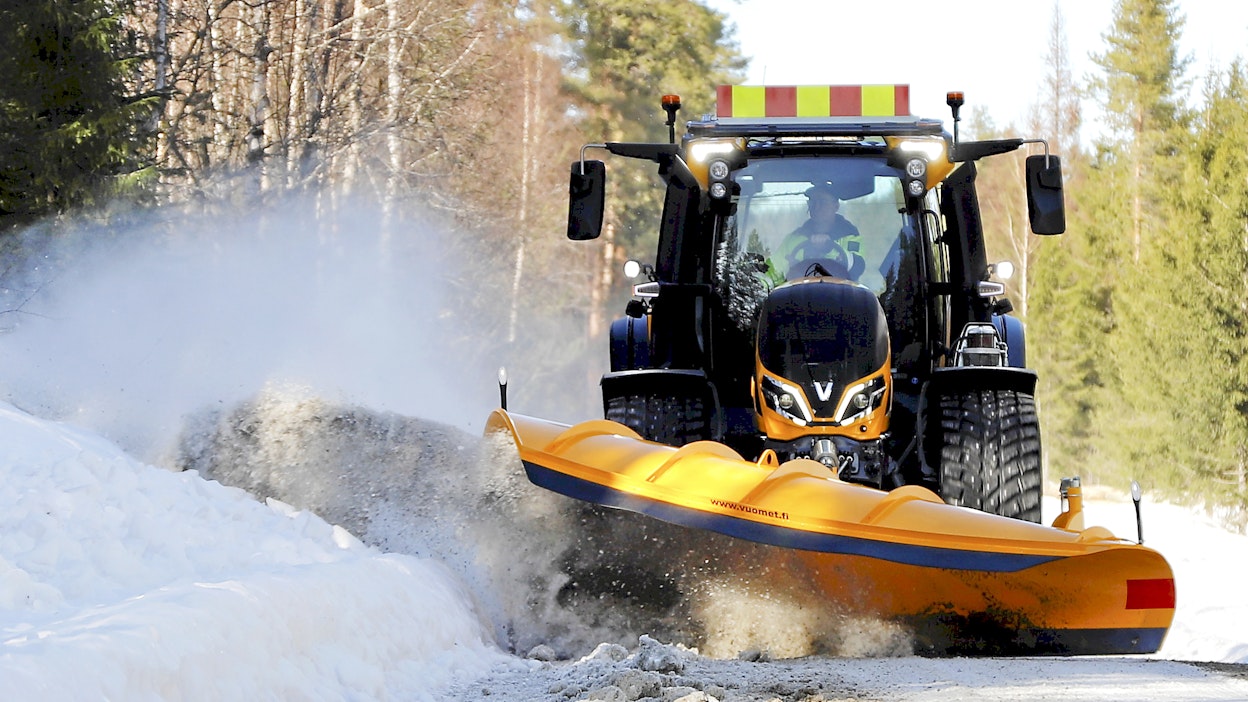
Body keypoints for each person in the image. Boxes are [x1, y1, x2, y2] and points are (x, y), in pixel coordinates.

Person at [770, 183, 865, 281]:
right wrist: (761, 283)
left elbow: (858, 267)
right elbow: (772, 272)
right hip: (799, 291)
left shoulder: (850, 237)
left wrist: (828, 248)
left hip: (840, 291)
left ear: (836, 206)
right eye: (812, 202)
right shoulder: (793, 240)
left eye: (822, 202)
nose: (816, 207)